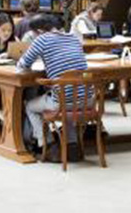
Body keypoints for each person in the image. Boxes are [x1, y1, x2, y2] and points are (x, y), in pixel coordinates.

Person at [17, 14, 88, 161]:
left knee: (30, 106)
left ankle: (47, 145)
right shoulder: (73, 37)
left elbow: (23, 64)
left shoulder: (42, 39)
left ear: (39, 31)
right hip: (87, 100)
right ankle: (72, 146)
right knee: (67, 94)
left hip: (63, 101)